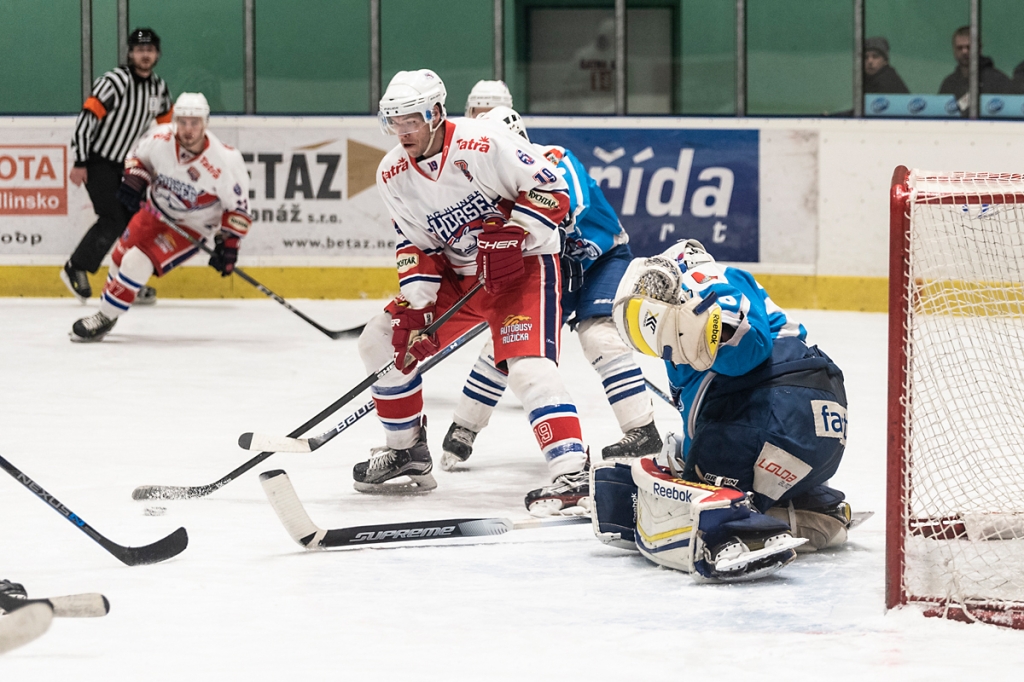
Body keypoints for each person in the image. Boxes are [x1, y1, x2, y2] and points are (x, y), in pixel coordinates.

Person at [355, 68, 589, 514]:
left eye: (412, 120)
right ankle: (407, 453)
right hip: (458, 278)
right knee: (381, 340)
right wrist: (417, 307)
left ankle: (571, 471)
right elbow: (414, 243)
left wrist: (516, 233)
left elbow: (551, 190)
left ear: (436, 113)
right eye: (394, 122)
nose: (403, 132)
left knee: (527, 369)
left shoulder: (484, 142)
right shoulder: (391, 173)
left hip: (522, 271)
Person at [590, 239, 854, 579]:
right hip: (821, 433)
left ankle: (733, 532)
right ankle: (818, 508)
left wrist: (689, 472)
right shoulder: (691, 323)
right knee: (703, 455)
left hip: (776, 411)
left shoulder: (713, 286)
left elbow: (750, 346)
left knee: (705, 467)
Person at [440, 105, 659, 473]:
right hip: (550, 269)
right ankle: (464, 427)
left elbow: (566, 206)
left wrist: (513, 230)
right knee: (505, 341)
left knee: (600, 336)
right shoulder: (486, 185)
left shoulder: (555, 159)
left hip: (599, 261)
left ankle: (642, 429)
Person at [70, 93, 251, 342]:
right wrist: (135, 179)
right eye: (183, 122)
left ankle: (103, 317)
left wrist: (229, 244)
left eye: (195, 122)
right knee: (118, 260)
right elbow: (137, 157)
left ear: (206, 122)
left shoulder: (225, 161)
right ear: (175, 120)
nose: (188, 130)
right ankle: (109, 312)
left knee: (135, 261)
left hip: (190, 227)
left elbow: (238, 208)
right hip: (154, 212)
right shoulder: (160, 137)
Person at [64, 28, 173, 306]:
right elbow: (86, 120)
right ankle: (76, 266)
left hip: (128, 167)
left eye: (149, 50)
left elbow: (167, 130)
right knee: (113, 218)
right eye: (139, 50)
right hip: (98, 161)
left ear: (157, 54)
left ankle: (125, 283)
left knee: (136, 223)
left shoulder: (159, 88)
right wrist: (80, 160)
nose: (145, 55)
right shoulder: (114, 82)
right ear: (130, 53)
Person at [939, 26, 1012, 112]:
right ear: (954, 51)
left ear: (979, 49)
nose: (964, 51)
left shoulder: (998, 81)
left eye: (969, 47)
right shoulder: (949, 83)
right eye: (960, 48)